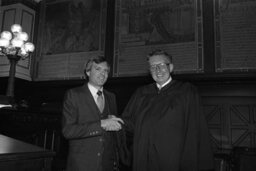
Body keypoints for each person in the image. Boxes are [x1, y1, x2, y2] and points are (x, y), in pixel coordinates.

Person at [122, 49, 214, 171]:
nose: (157, 70)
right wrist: (117, 122)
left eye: (161, 65)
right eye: (153, 67)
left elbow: (195, 129)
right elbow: (130, 123)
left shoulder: (186, 92)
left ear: (171, 67)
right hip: (144, 157)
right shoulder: (141, 93)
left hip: (172, 158)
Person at [62, 56, 124, 171]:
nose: (103, 73)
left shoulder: (111, 97)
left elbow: (113, 134)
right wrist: (101, 124)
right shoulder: (73, 95)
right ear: (88, 72)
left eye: (106, 70)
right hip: (82, 164)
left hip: (107, 164)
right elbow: (68, 131)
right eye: (98, 69)